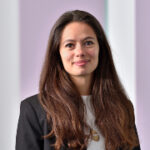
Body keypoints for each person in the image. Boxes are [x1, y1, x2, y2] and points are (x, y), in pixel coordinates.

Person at [15, 10, 141, 150]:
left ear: (101, 49)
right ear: (58, 53)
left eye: (88, 43)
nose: (80, 52)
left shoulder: (122, 107)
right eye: (70, 45)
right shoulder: (34, 110)